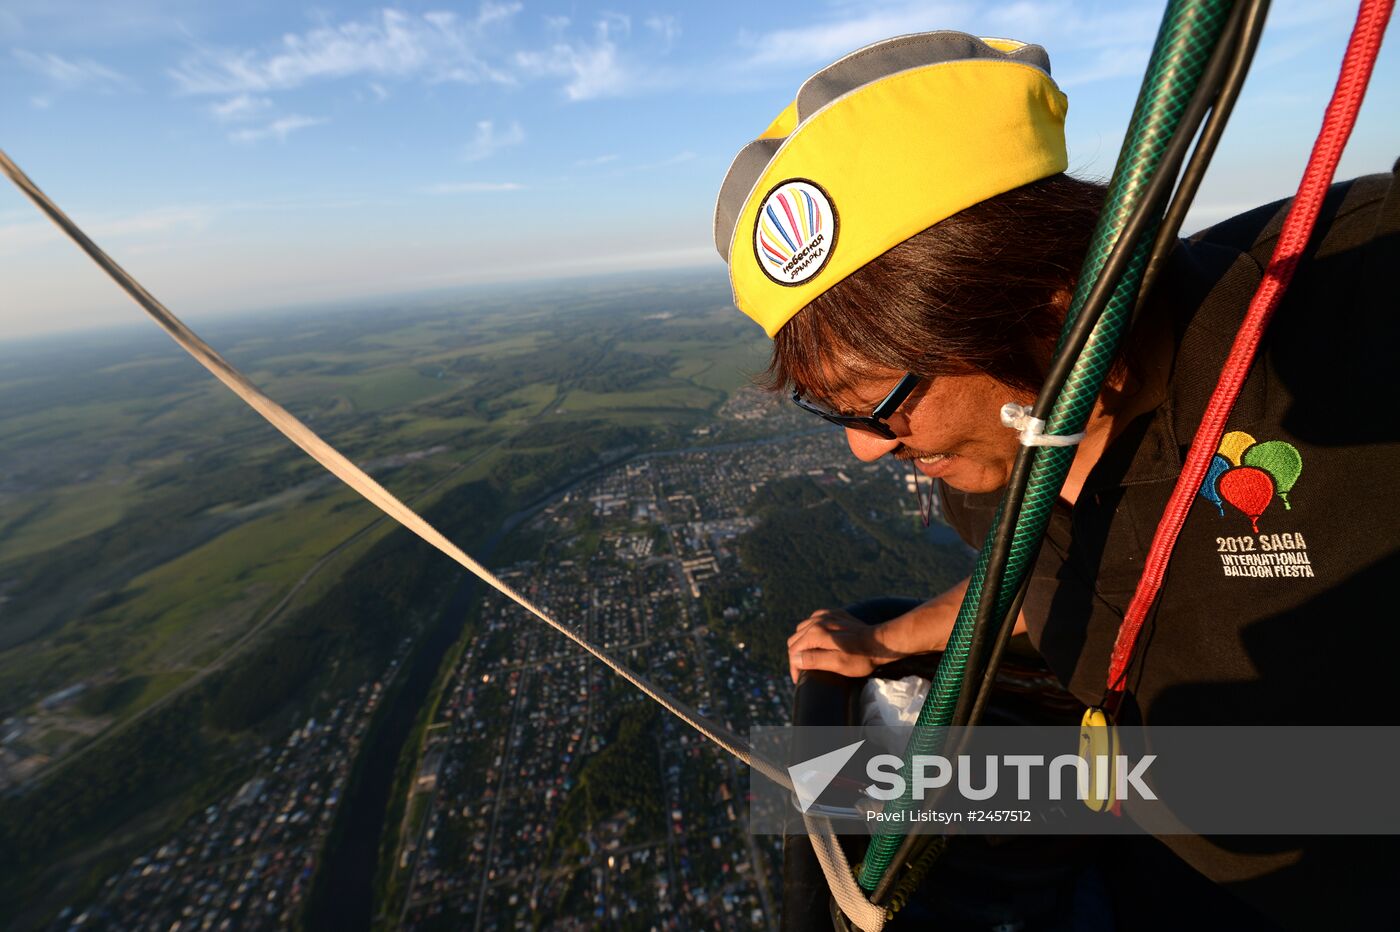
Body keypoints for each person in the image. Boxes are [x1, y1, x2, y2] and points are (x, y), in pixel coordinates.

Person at [714, 30, 1399, 931]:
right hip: (1158, 861)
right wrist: (892, 642)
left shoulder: (1347, 309)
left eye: (876, 402)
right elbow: (1046, 577)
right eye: (833, 411)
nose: (866, 450)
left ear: (1045, 306)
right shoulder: (1017, 453)